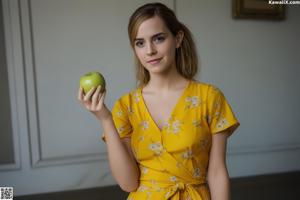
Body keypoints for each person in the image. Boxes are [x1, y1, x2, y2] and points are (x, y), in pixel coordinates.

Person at [78, 2, 239, 200]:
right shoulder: (126, 106)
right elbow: (128, 183)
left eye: (159, 38)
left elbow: (217, 173)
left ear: (178, 38)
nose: (150, 50)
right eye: (140, 43)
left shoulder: (210, 97)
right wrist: (105, 120)